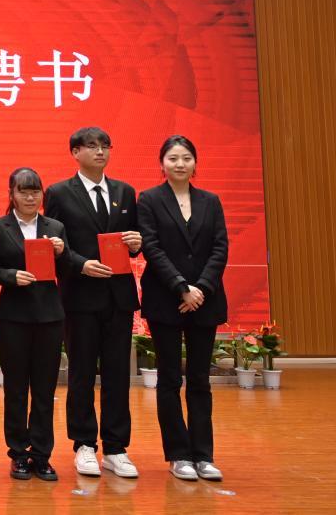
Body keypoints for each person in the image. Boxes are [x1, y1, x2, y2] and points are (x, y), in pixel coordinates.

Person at [42, 127, 142, 479]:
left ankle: (116, 447)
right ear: (75, 152)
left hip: (118, 296)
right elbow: (54, 243)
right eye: (92, 146)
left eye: (105, 146)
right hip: (80, 295)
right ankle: (84, 444)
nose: (100, 152)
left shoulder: (125, 192)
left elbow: (134, 242)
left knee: (118, 373)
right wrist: (80, 264)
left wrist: (136, 243)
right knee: (82, 372)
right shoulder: (58, 193)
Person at [138, 135, 228, 482]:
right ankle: (178, 454)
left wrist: (200, 288)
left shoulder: (210, 201)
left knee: (200, 379)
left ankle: (204, 455)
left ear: (195, 163)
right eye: (173, 158)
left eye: (186, 158)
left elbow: (220, 248)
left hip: (204, 301)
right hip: (166, 300)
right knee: (170, 378)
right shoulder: (149, 200)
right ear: (162, 164)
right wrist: (181, 287)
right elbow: (152, 248)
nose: (180, 164)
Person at [0, 167, 76, 482]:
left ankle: (42, 454)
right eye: (23, 191)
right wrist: (11, 276)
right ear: (11, 194)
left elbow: (67, 269)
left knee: (45, 389)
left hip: (49, 317)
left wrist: (62, 252)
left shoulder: (55, 227)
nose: (30, 197)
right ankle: (19, 454)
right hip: (14, 317)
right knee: (16, 389)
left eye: (35, 191)